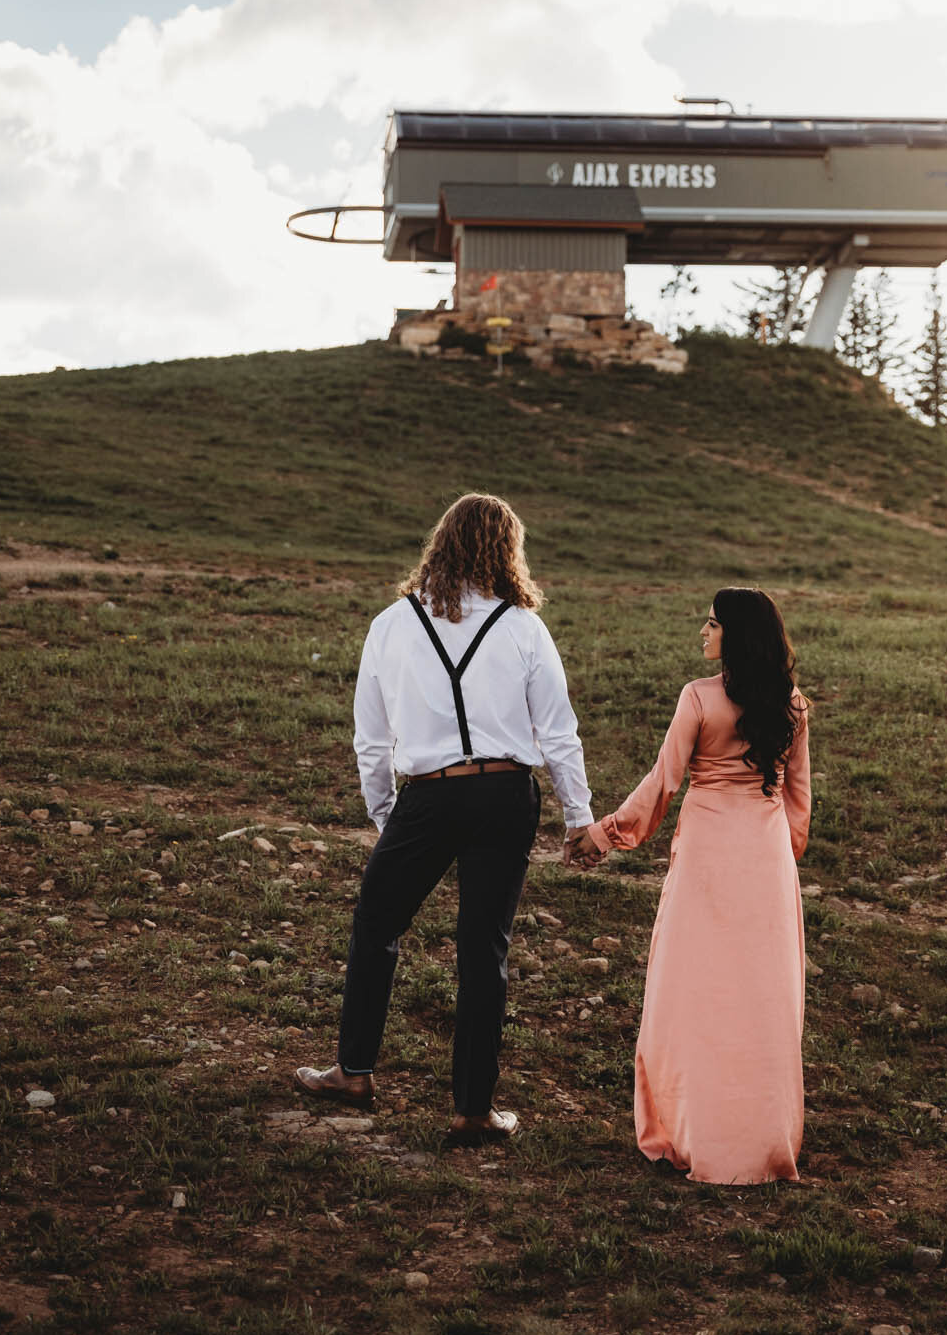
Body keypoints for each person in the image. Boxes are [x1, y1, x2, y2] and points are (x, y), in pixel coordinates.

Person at [295, 492, 597, 1144]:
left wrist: (385, 813)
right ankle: (471, 1110)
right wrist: (579, 817)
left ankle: (353, 1072)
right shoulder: (522, 627)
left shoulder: (391, 624)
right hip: (505, 796)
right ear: (505, 551)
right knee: (482, 950)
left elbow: (368, 737)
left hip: (427, 796)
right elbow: (559, 733)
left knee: (376, 924)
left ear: (442, 543)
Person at [566, 588, 810, 1184]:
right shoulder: (795, 706)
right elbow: (798, 802)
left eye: (711, 623)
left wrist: (606, 834)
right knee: (760, 995)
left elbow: (664, 781)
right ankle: (761, 1143)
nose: (702, 631)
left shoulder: (698, 699)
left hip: (707, 855)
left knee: (693, 991)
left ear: (735, 635)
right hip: (766, 857)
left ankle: (688, 1133)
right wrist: (779, 858)